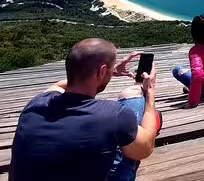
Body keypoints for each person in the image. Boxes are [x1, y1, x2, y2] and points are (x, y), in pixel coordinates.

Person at [10, 38, 161, 181]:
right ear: (101, 71)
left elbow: (58, 85)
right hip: (118, 130)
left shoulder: (36, 103)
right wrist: (150, 94)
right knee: (134, 100)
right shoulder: (114, 114)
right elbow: (145, 149)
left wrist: (109, 71)